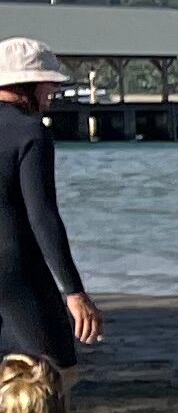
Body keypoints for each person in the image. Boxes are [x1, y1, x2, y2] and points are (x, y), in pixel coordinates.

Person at [0, 36, 102, 371]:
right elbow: (42, 215)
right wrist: (74, 291)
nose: (52, 93)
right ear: (29, 83)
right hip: (14, 268)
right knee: (52, 370)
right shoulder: (30, 133)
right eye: (49, 84)